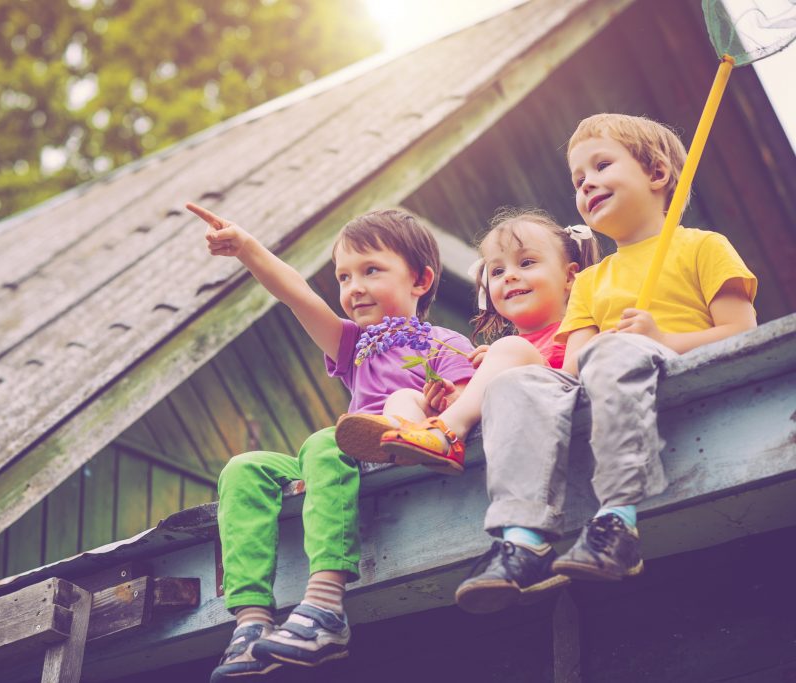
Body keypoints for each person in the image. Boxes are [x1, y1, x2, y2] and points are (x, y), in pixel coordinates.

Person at [455, 113, 758, 615]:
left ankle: (617, 522)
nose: (586, 183)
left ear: (657, 174)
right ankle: (522, 536)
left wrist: (663, 338)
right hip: (604, 379)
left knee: (612, 350)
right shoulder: (592, 281)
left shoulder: (703, 246)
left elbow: (742, 333)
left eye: (600, 166)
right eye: (577, 179)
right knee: (516, 383)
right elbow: (572, 370)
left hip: (666, 366)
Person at [186, 202, 474, 680]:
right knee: (244, 468)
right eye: (343, 277)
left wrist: (439, 402)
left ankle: (324, 607)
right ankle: (252, 622)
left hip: (387, 451)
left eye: (371, 270)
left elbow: (463, 404)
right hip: (335, 457)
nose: (354, 287)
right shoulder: (353, 346)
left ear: (420, 281)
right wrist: (247, 249)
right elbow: (298, 296)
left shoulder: (445, 344)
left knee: (325, 440)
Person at [336, 208, 599, 477]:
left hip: (559, 416)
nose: (508, 275)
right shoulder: (500, 352)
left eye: (527, 263)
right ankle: (407, 444)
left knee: (511, 348)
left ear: (569, 276)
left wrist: (509, 360)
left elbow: (574, 379)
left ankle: (446, 433)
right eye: (497, 271)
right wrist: (449, 398)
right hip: (502, 422)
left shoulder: (579, 327)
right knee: (403, 397)